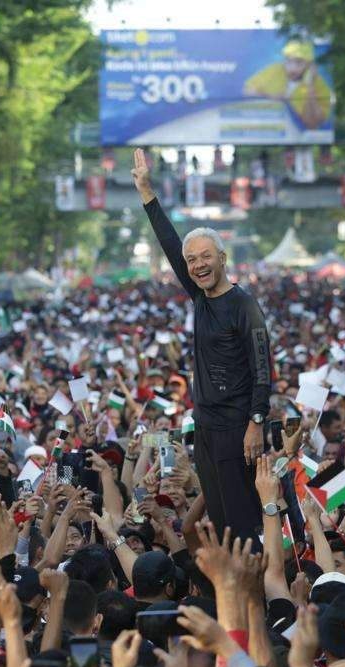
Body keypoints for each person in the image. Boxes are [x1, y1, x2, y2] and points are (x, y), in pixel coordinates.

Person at [132, 147, 270, 542]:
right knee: (220, 522)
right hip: (206, 426)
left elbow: (263, 366)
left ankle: (252, 595)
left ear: (222, 258)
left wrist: (256, 422)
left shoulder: (243, 304)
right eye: (191, 261)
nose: (197, 265)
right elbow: (170, 242)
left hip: (237, 428)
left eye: (205, 257)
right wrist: (147, 193)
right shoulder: (199, 297)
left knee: (242, 525)